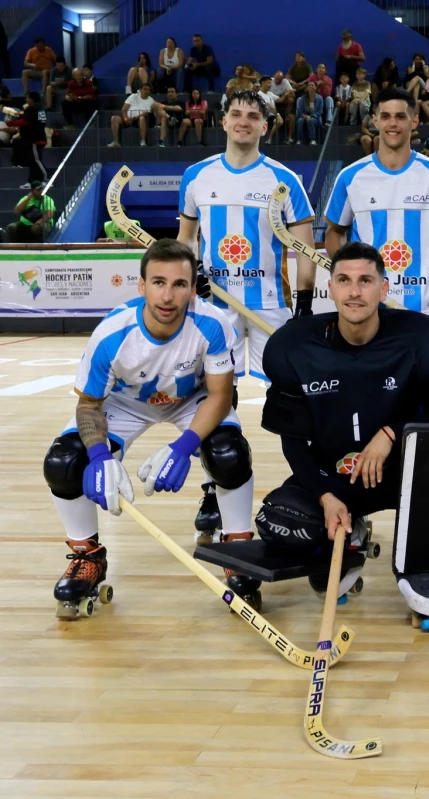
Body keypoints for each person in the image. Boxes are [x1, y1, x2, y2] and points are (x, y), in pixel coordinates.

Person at [41, 239, 253, 617]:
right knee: (63, 463)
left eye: (179, 285)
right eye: (158, 282)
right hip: (127, 405)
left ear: (193, 289)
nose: (168, 295)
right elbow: (89, 404)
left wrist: (185, 446)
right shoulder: (112, 334)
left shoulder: (213, 323)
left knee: (228, 454)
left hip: (193, 399)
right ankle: (86, 555)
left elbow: (221, 395)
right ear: (141, 286)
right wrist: (100, 455)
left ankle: (238, 547)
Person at [257, 240, 429, 595]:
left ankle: (426, 555)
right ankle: (348, 527)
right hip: (337, 475)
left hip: (408, 474)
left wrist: (392, 433)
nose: (354, 292)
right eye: (344, 280)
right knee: (280, 519)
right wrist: (325, 494)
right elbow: (292, 439)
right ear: (331, 288)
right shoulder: (294, 346)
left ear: (384, 288)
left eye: (366, 281)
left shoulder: (424, 339)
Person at [176, 90, 318, 534]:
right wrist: (187, 276)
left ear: (264, 126)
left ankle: (314, 484)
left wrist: (306, 307)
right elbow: (185, 237)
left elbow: (304, 247)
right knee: (216, 394)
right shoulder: (196, 176)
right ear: (222, 121)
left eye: (252, 116)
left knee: (299, 397)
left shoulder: (283, 180)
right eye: (236, 114)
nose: (243, 121)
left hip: (270, 308)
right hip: (215, 309)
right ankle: (215, 488)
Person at [295, 80, 326, 145]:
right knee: (300, 120)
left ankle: (312, 139)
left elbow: (320, 111)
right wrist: (303, 115)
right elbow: (300, 110)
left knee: (310, 120)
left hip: (315, 117)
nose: (311, 86)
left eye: (312, 85)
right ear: (307, 87)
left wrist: (311, 116)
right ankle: (299, 140)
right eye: (309, 85)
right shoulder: (303, 98)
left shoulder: (319, 98)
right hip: (304, 116)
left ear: (315, 87)